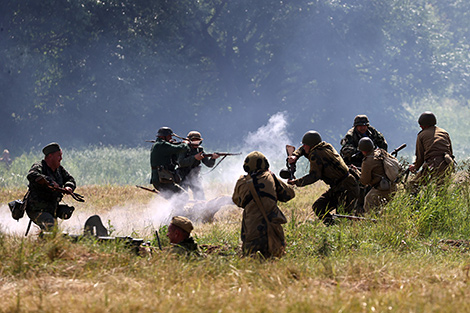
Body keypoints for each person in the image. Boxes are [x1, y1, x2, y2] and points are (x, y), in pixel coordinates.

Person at [287, 131, 359, 226]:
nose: (303, 147)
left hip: (347, 187)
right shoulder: (325, 146)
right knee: (319, 206)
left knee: (343, 217)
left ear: (311, 145)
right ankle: (333, 226)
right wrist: (295, 155)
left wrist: (296, 182)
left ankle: (340, 231)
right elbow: (303, 148)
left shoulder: (316, 155)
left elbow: (314, 176)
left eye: (305, 145)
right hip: (340, 185)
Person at [232, 151, 295, 258]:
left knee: (251, 261)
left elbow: (237, 201)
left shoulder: (241, 181)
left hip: (251, 231)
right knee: (275, 260)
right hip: (272, 231)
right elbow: (289, 195)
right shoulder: (270, 177)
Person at [26, 142, 76, 231]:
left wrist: (69, 186)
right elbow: (32, 175)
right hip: (37, 209)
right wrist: (49, 181)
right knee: (51, 227)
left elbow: (70, 179)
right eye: (58, 156)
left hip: (52, 208)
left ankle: (46, 242)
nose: (61, 158)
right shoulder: (39, 166)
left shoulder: (59, 170)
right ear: (50, 156)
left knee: (53, 229)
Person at [408, 111, 454, 192]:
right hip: (447, 163)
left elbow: (420, 157)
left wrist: (415, 167)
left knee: (412, 185)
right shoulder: (444, 132)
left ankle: (416, 204)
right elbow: (450, 152)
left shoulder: (421, 135)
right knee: (441, 191)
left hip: (433, 164)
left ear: (423, 126)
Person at [177, 131, 219, 200]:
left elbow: (208, 164)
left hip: (194, 177)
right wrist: (194, 158)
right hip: (182, 176)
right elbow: (181, 162)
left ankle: (200, 209)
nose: (196, 143)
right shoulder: (183, 148)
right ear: (189, 141)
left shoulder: (199, 149)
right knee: (182, 197)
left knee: (200, 196)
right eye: (194, 141)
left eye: (198, 141)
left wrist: (213, 158)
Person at [358, 137, 397, 212]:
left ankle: (373, 222)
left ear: (363, 150)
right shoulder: (381, 152)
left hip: (382, 189)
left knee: (368, 203)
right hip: (393, 186)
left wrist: (358, 173)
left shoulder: (367, 162)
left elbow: (365, 181)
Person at [150, 127, 188, 198]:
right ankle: (178, 209)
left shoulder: (158, 145)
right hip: (162, 179)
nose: (170, 137)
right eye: (169, 136)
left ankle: (176, 209)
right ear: (163, 136)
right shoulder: (162, 145)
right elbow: (182, 148)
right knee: (183, 195)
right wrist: (185, 144)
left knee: (175, 198)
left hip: (162, 178)